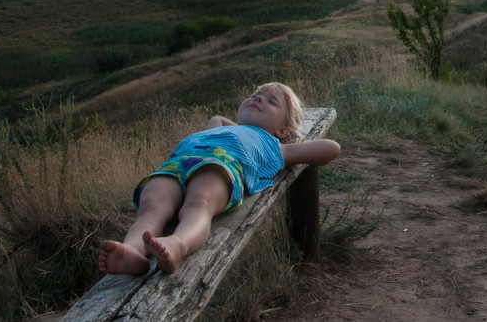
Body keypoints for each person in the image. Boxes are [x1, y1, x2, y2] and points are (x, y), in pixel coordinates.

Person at [98, 82, 341, 275]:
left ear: (281, 130)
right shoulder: (221, 129)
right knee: (151, 206)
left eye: (271, 101)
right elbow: (217, 119)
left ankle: (178, 244)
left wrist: (291, 139)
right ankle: (131, 251)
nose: (259, 98)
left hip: (221, 165)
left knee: (199, 203)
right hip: (178, 164)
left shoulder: (274, 145)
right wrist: (237, 124)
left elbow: (331, 148)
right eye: (256, 94)